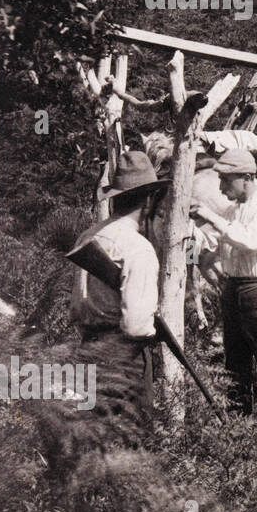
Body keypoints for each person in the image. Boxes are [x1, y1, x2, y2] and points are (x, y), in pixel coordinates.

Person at [191, 148, 257, 428]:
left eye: (227, 180)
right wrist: (189, 232)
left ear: (247, 177)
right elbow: (212, 242)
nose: (222, 187)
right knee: (235, 366)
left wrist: (209, 216)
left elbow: (251, 241)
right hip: (232, 290)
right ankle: (240, 431)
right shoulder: (231, 210)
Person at [69, 151, 166, 425]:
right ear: (148, 199)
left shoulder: (88, 236)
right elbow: (136, 326)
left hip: (88, 349)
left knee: (93, 437)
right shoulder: (138, 249)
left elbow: (76, 305)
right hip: (125, 358)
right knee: (130, 441)